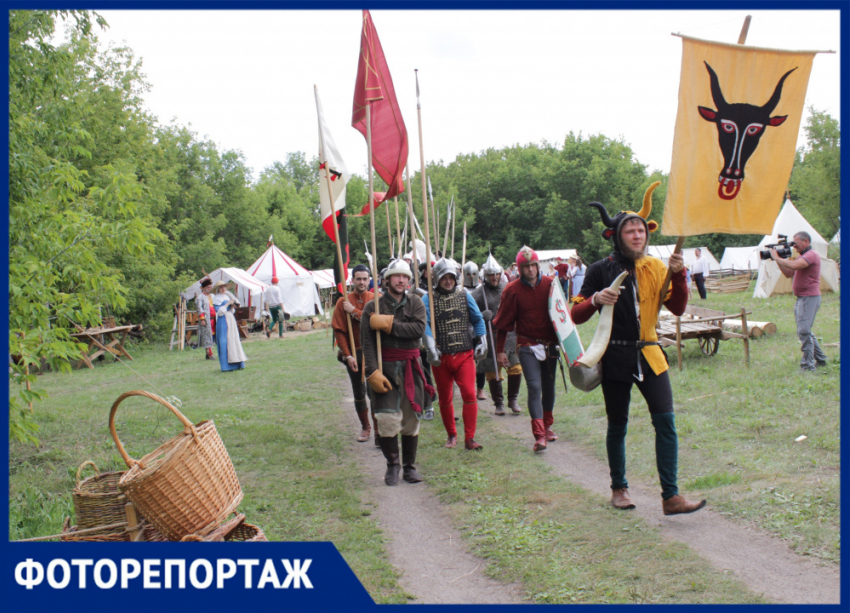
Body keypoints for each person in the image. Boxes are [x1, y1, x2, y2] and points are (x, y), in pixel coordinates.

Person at [571, 189, 705, 516]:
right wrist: (595, 300)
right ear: (618, 237)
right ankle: (619, 488)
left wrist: (680, 274)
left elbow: (677, 306)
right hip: (614, 357)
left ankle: (670, 497)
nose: (637, 235)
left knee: (666, 422)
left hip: (651, 354)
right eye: (630, 231)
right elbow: (575, 314)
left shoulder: (658, 267)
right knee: (618, 425)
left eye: (641, 231)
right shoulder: (599, 270)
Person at [361, 259, 433, 486]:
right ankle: (393, 465)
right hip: (386, 369)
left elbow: (418, 330)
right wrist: (371, 372)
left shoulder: (416, 303)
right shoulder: (372, 307)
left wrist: (389, 325)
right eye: (397, 276)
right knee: (386, 419)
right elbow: (368, 342)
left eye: (405, 277)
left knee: (411, 419)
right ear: (387, 279)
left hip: (411, 366)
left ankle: (410, 467)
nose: (401, 280)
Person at [492, 246, 561, 452]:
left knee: (549, 388)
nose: (531, 269)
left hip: (550, 345)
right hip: (527, 345)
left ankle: (547, 427)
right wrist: (500, 350)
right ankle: (539, 435)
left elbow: (562, 316)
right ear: (520, 268)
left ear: (538, 265)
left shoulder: (551, 284)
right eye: (526, 266)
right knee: (534, 387)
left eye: (533, 265)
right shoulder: (511, 290)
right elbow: (503, 323)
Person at [422, 258, 488, 450]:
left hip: (464, 354)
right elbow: (425, 323)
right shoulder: (428, 299)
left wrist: (482, 340)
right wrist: (430, 345)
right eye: (444, 278)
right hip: (441, 356)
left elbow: (477, 319)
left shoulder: (464, 295)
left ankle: (469, 438)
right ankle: (451, 434)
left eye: (451, 277)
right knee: (444, 398)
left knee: (469, 393)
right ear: (437, 279)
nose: (448, 281)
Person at [471, 253, 523, 416]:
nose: (494, 277)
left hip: (509, 335)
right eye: (491, 275)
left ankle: (513, 400)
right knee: (493, 372)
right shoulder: (478, 294)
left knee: (515, 368)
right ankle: (498, 403)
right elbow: (469, 318)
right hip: (490, 336)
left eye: (496, 274)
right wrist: (481, 316)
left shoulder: (508, 289)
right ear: (485, 276)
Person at [770, 231, 828, 371]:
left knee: (803, 331)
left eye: (796, 243)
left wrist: (777, 257)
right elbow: (789, 273)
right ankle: (821, 359)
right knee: (805, 331)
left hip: (810, 297)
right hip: (802, 298)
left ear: (806, 241)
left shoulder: (811, 255)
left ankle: (808, 366)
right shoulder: (802, 256)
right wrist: (779, 260)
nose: (794, 246)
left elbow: (795, 266)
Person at [332, 264, 377, 443]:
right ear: (352, 280)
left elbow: (376, 321)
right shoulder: (343, 301)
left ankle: (379, 429)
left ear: (369, 280)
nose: (362, 282)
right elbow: (339, 330)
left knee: (376, 391)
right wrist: (348, 355)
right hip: (355, 353)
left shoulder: (376, 299)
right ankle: (366, 427)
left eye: (365, 278)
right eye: (358, 278)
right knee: (359, 392)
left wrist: (355, 312)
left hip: (373, 353)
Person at [463, 261, 488, 401]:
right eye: (468, 274)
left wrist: (485, 314)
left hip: (479, 328)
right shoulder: (460, 290)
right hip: (466, 329)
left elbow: (486, 306)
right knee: (468, 361)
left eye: (474, 274)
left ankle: (480, 389)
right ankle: (470, 388)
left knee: (481, 359)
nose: (471, 276)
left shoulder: (482, 289)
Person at [211, 280, 247, 372]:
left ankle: (237, 363)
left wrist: (231, 307)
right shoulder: (216, 298)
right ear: (218, 289)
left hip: (230, 318)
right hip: (223, 320)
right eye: (221, 287)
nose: (223, 289)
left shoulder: (227, 296)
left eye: (224, 287)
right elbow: (219, 312)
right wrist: (227, 304)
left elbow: (231, 310)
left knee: (233, 339)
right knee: (224, 341)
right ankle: (226, 366)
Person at [196, 278, 215, 360]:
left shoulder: (213, 296)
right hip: (207, 319)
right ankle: (209, 353)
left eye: (210, 287)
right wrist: (202, 319)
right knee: (207, 336)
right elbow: (199, 308)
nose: (209, 288)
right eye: (207, 287)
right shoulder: (200, 298)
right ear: (204, 288)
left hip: (215, 318)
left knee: (213, 336)